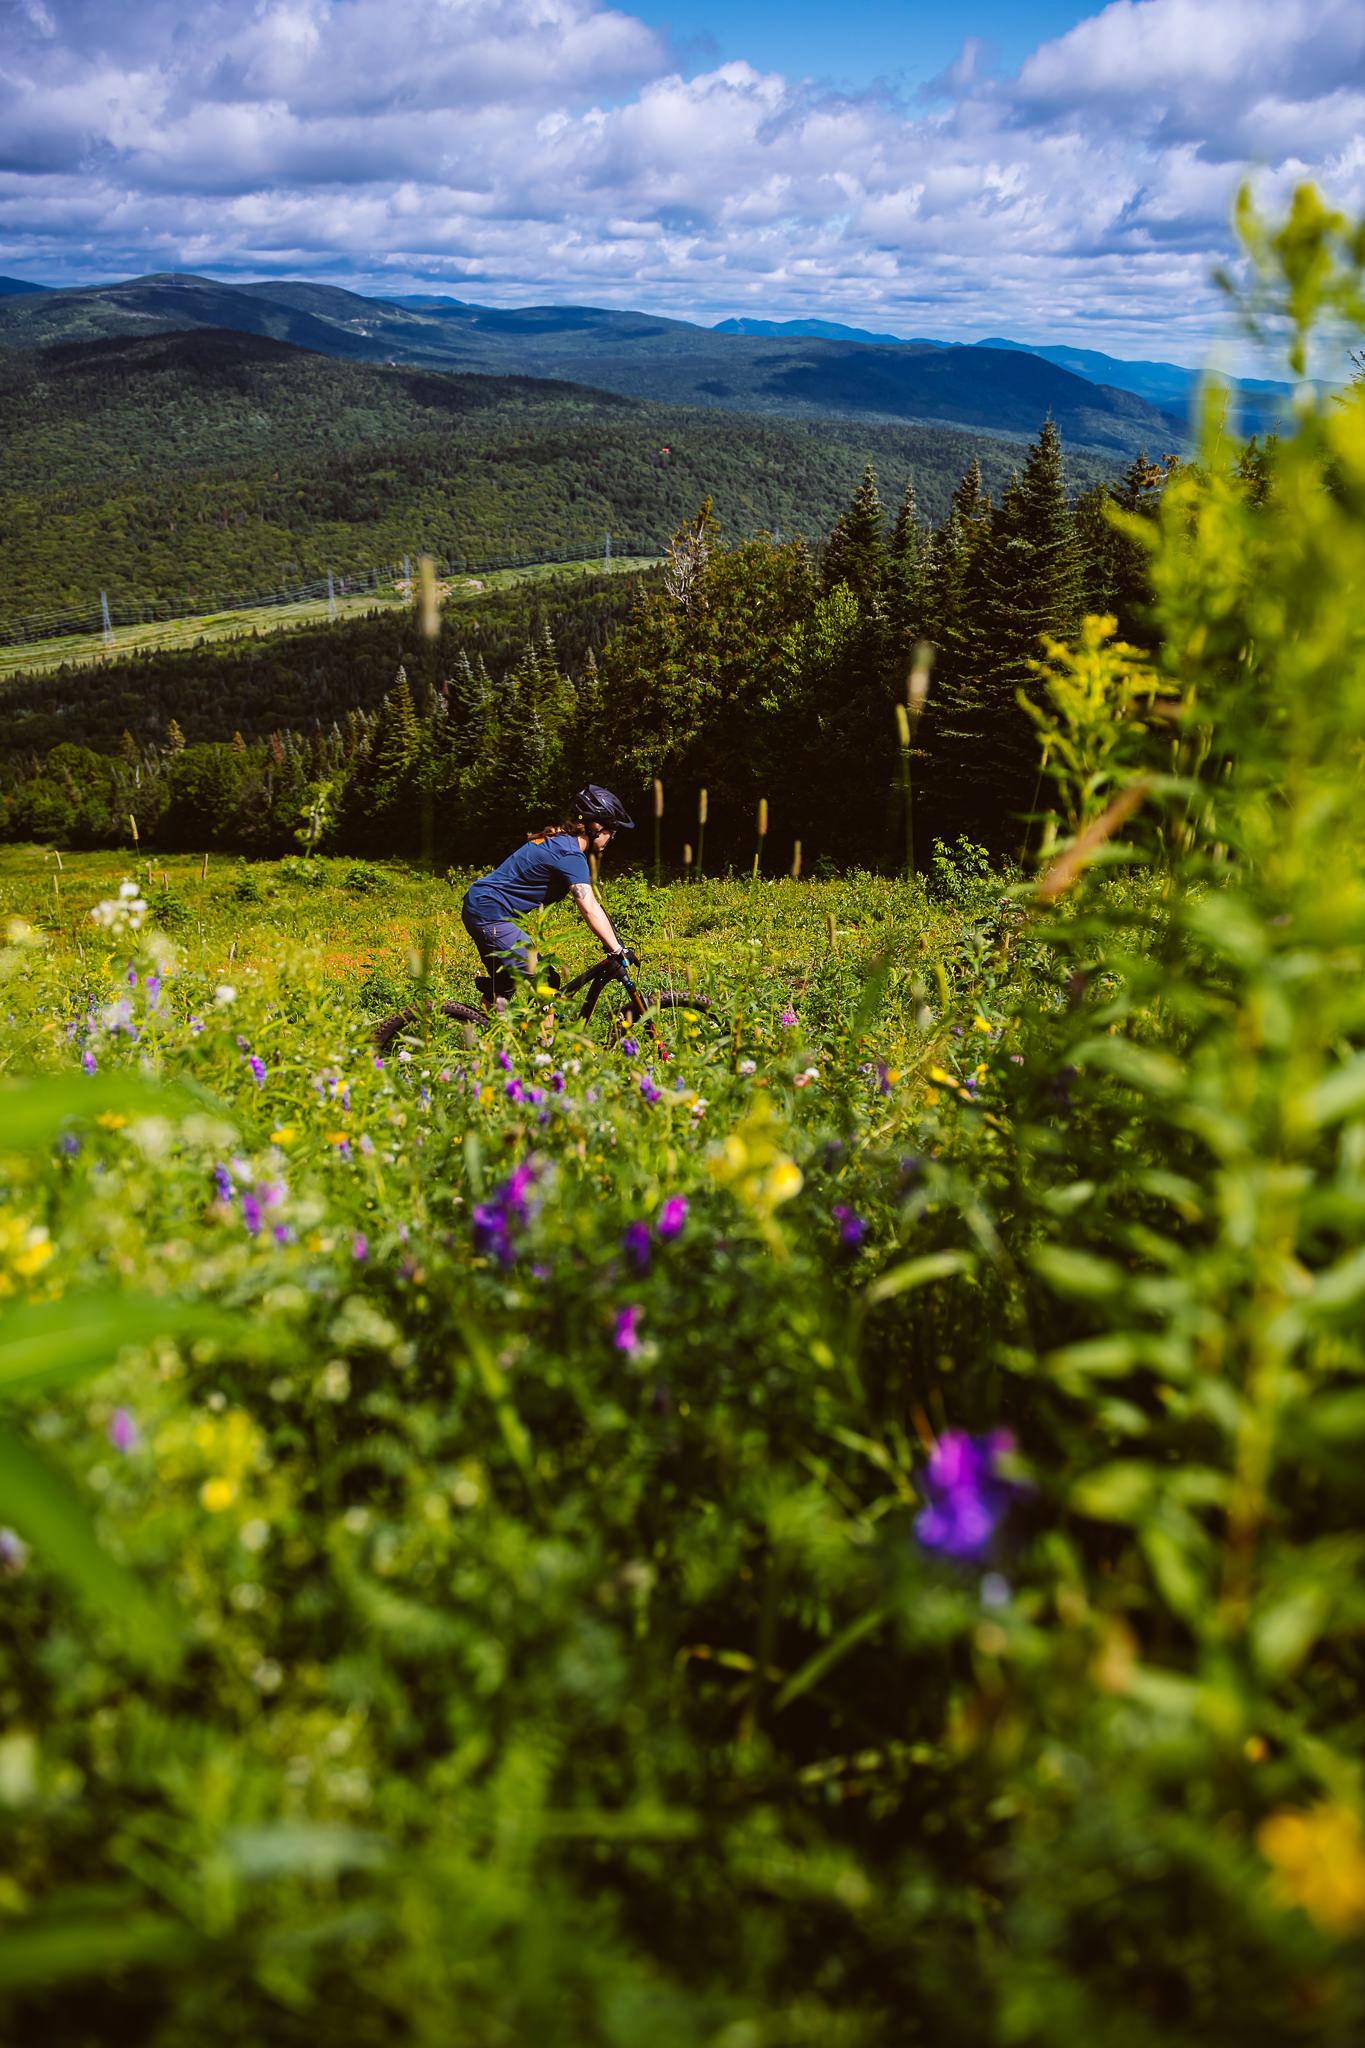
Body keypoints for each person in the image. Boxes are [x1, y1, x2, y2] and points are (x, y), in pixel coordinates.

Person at [461, 785, 635, 1003]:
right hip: (489, 913)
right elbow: (589, 908)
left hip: (481, 906)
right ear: (596, 826)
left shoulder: (562, 844)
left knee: (505, 984)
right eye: (612, 830)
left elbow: (595, 907)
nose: (612, 837)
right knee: (547, 980)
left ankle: (481, 1031)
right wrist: (617, 950)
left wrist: (613, 941)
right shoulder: (570, 855)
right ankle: (546, 1038)